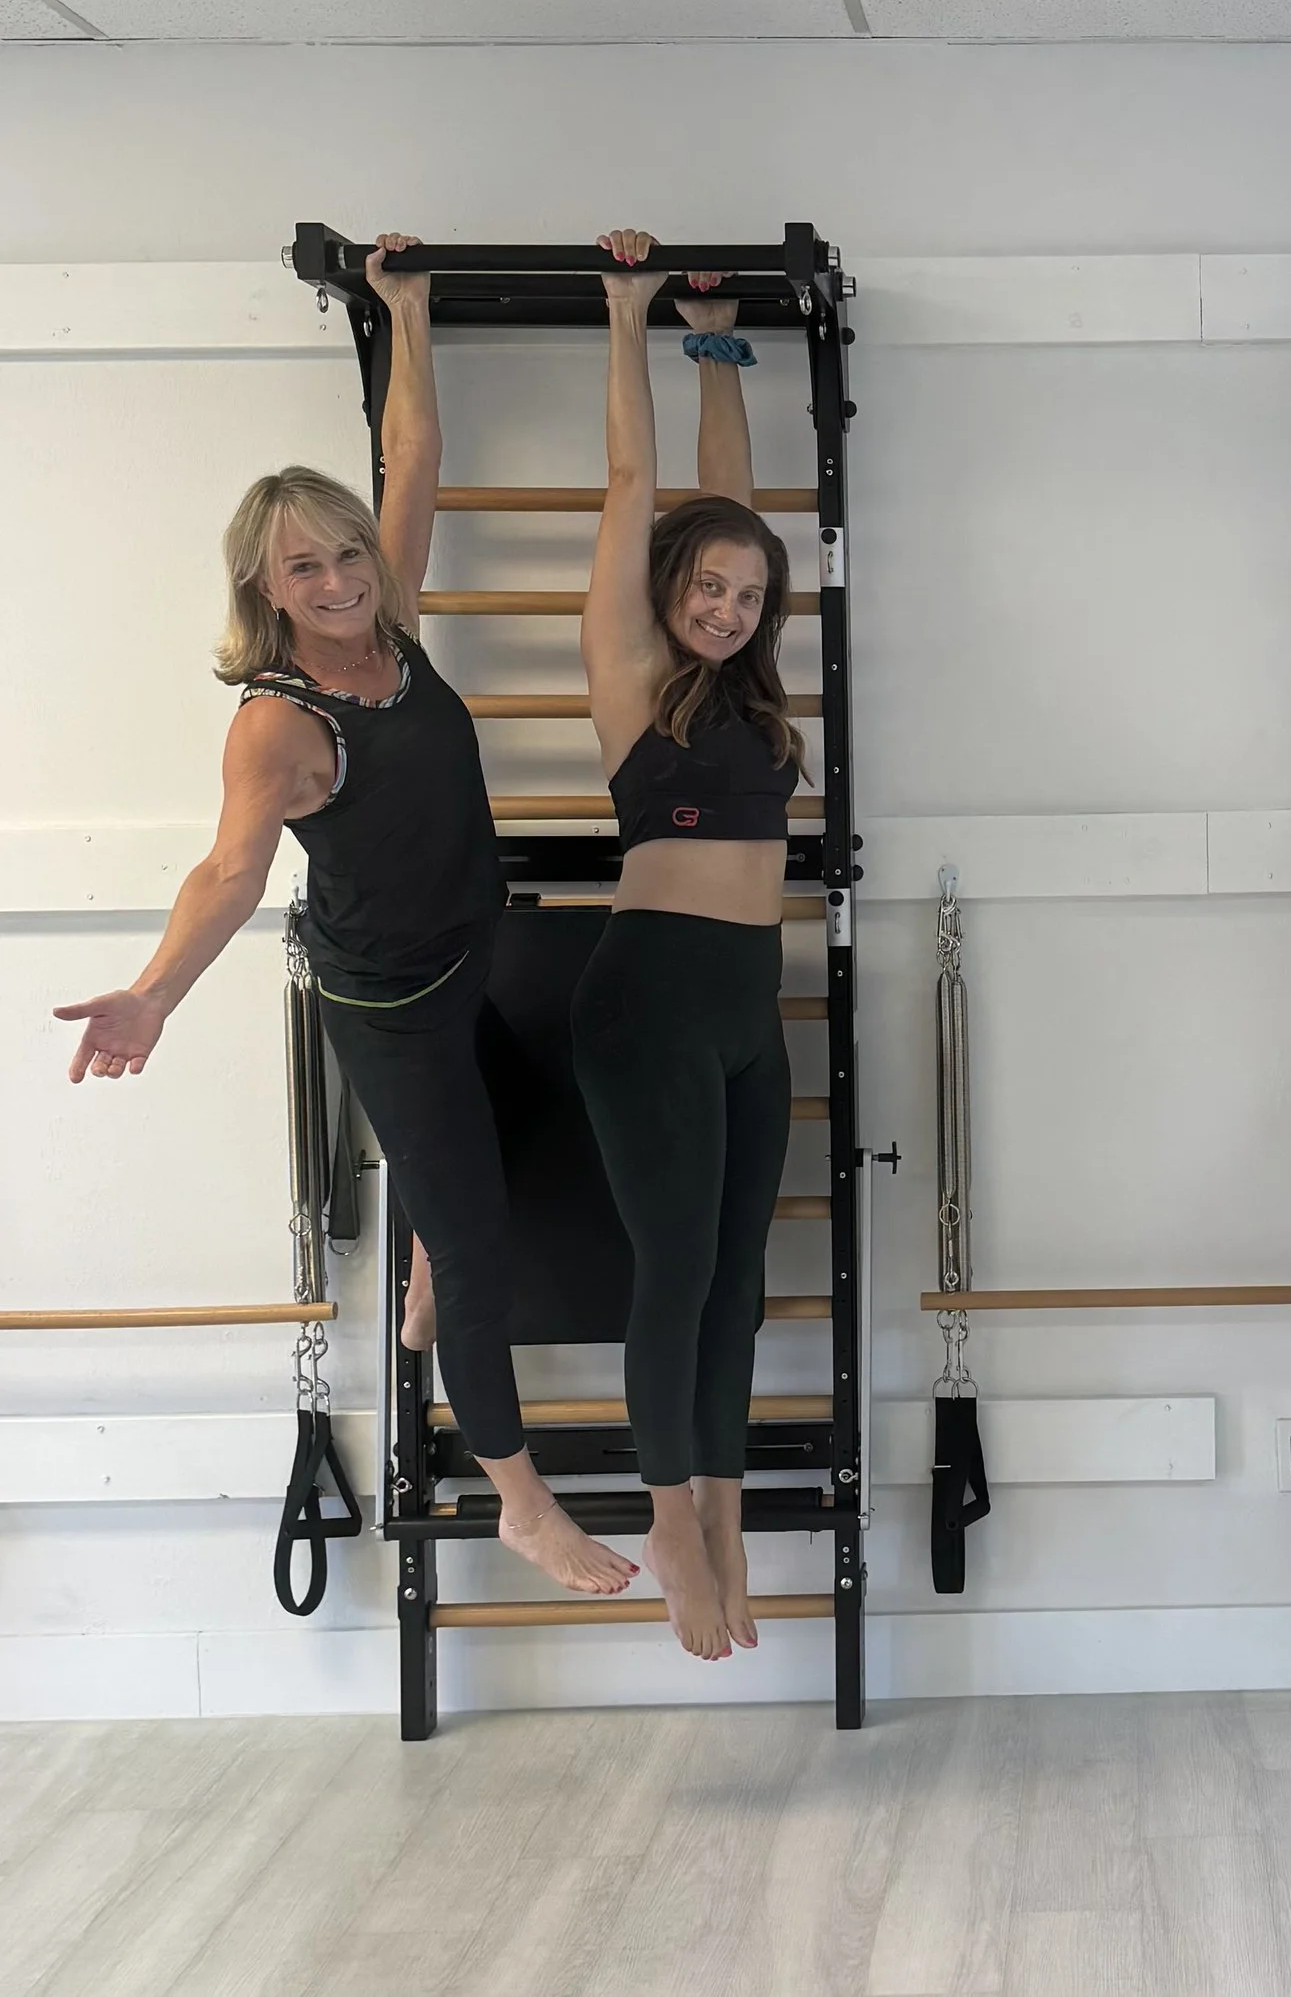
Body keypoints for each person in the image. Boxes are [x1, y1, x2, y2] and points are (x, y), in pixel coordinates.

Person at [55, 236, 635, 1598]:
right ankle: (517, 1495)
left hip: (469, 952)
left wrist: (408, 311)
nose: (334, 580)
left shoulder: (400, 630)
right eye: (300, 570)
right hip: (391, 1009)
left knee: (526, 1120)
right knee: (486, 1240)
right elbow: (231, 875)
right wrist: (152, 991)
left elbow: (414, 464)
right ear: (265, 591)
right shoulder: (280, 719)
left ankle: (432, 1234)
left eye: (342, 553)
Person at [574, 230, 802, 1660]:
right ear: (665, 588)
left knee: (740, 1281)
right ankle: (668, 1520)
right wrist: (629, 317)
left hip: (746, 1012)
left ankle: (718, 1516)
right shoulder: (629, 667)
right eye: (708, 587)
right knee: (673, 1272)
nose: (726, 607)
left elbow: (734, 501)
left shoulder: (755, 694)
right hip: (651, 998)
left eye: (748, 593)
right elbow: (639, 489)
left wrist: (718, 338)